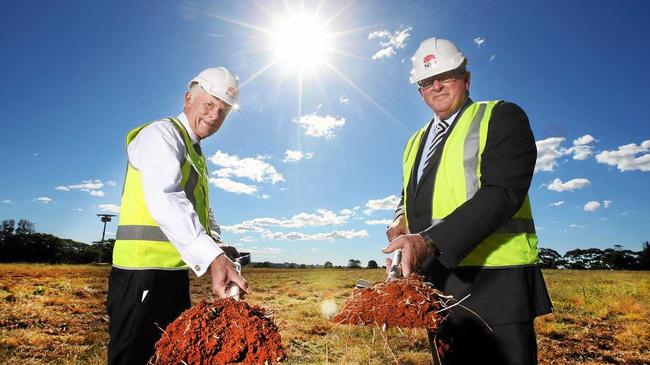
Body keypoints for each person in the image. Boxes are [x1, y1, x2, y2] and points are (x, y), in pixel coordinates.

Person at [382, 37, 552, 364]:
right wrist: (399, 221)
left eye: (446, 75)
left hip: (496, 283)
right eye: (426, 81)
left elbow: (503, 192)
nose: (436, 85)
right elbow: (407, 196)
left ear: (467, 79)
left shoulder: (500, 116)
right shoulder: (414, 142)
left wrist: (428, 241)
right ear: (420, 90)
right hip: (437, 286)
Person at [107, 67, 251, 365]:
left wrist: (216, 246)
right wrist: (212, 259)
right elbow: (166, 197)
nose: (214, 117)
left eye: (222, 111)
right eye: (209, 105)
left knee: (172, 355)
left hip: (173, 275)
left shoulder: (195, 152)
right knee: (134, 357)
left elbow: (200, 209)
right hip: (141, 273)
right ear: (188, 99)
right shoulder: (161, 135)